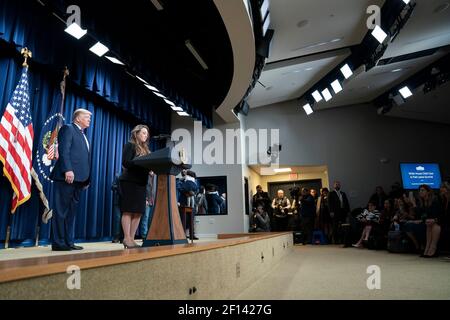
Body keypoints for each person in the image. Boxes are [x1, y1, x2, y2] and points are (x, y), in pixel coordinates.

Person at [50, 109, 92, 251]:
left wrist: (86, 179)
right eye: (87, 117)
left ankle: (68, 241)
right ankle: (58, 242)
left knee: (71, 212)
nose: (89, 120)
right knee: (61, 211)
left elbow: (84, 159)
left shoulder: (83, 135)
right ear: (78, 118)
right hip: (66, 177)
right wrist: (68, 169)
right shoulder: (68, 128)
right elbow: (64, 150)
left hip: (80, 180)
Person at [119, 125, 151, 249]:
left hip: (142, 183)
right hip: (130, 182)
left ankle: (131, 239)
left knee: (138, 212)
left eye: (146, 134)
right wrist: (141, 162)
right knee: (128, 210)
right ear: (136, 133)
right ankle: (126, 238)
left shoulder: (146, 149)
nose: (145, 135)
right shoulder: (130, 145)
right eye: (143, 133)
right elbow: (125, 162)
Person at [411, 185, 443, 257]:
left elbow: (439, 214)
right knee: (428, 225)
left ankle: (433, 248)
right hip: (429, 222)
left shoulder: (435, 200)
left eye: (422, 190)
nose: (420, 192)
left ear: (428, 192)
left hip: (439, 220)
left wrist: (434, 220)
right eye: (420, 190)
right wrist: (414, 204)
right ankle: (427, 248)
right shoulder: (422, 202)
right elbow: (421, 215)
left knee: (433, 225)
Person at [178, 170, 199, 239]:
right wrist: (187, 192)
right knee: (184, 219)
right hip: (184, 202)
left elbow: (196, 189)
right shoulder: (180, 181)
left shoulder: (193, 182)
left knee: (191, 219)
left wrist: (192, 192)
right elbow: (179, 188)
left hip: (192, 203)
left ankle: (192, 234)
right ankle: (182, 234)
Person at [140, 171, 157, 240]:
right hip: (146, 200)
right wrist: (144, 199)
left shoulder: (157, 176)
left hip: (154, 200)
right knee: (145, 218)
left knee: (152, 218)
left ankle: (151, 235)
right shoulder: (145, 175)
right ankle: (144, 235)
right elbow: (142, 188)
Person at [111, 173, 123, 243]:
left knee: (125, 220)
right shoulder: (118, 176)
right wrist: (119, 187)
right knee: (118, 219)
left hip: (126, 201)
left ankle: (122, 237)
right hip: (118, 201)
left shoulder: (130, 176)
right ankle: (116, 237)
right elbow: (112, 186)